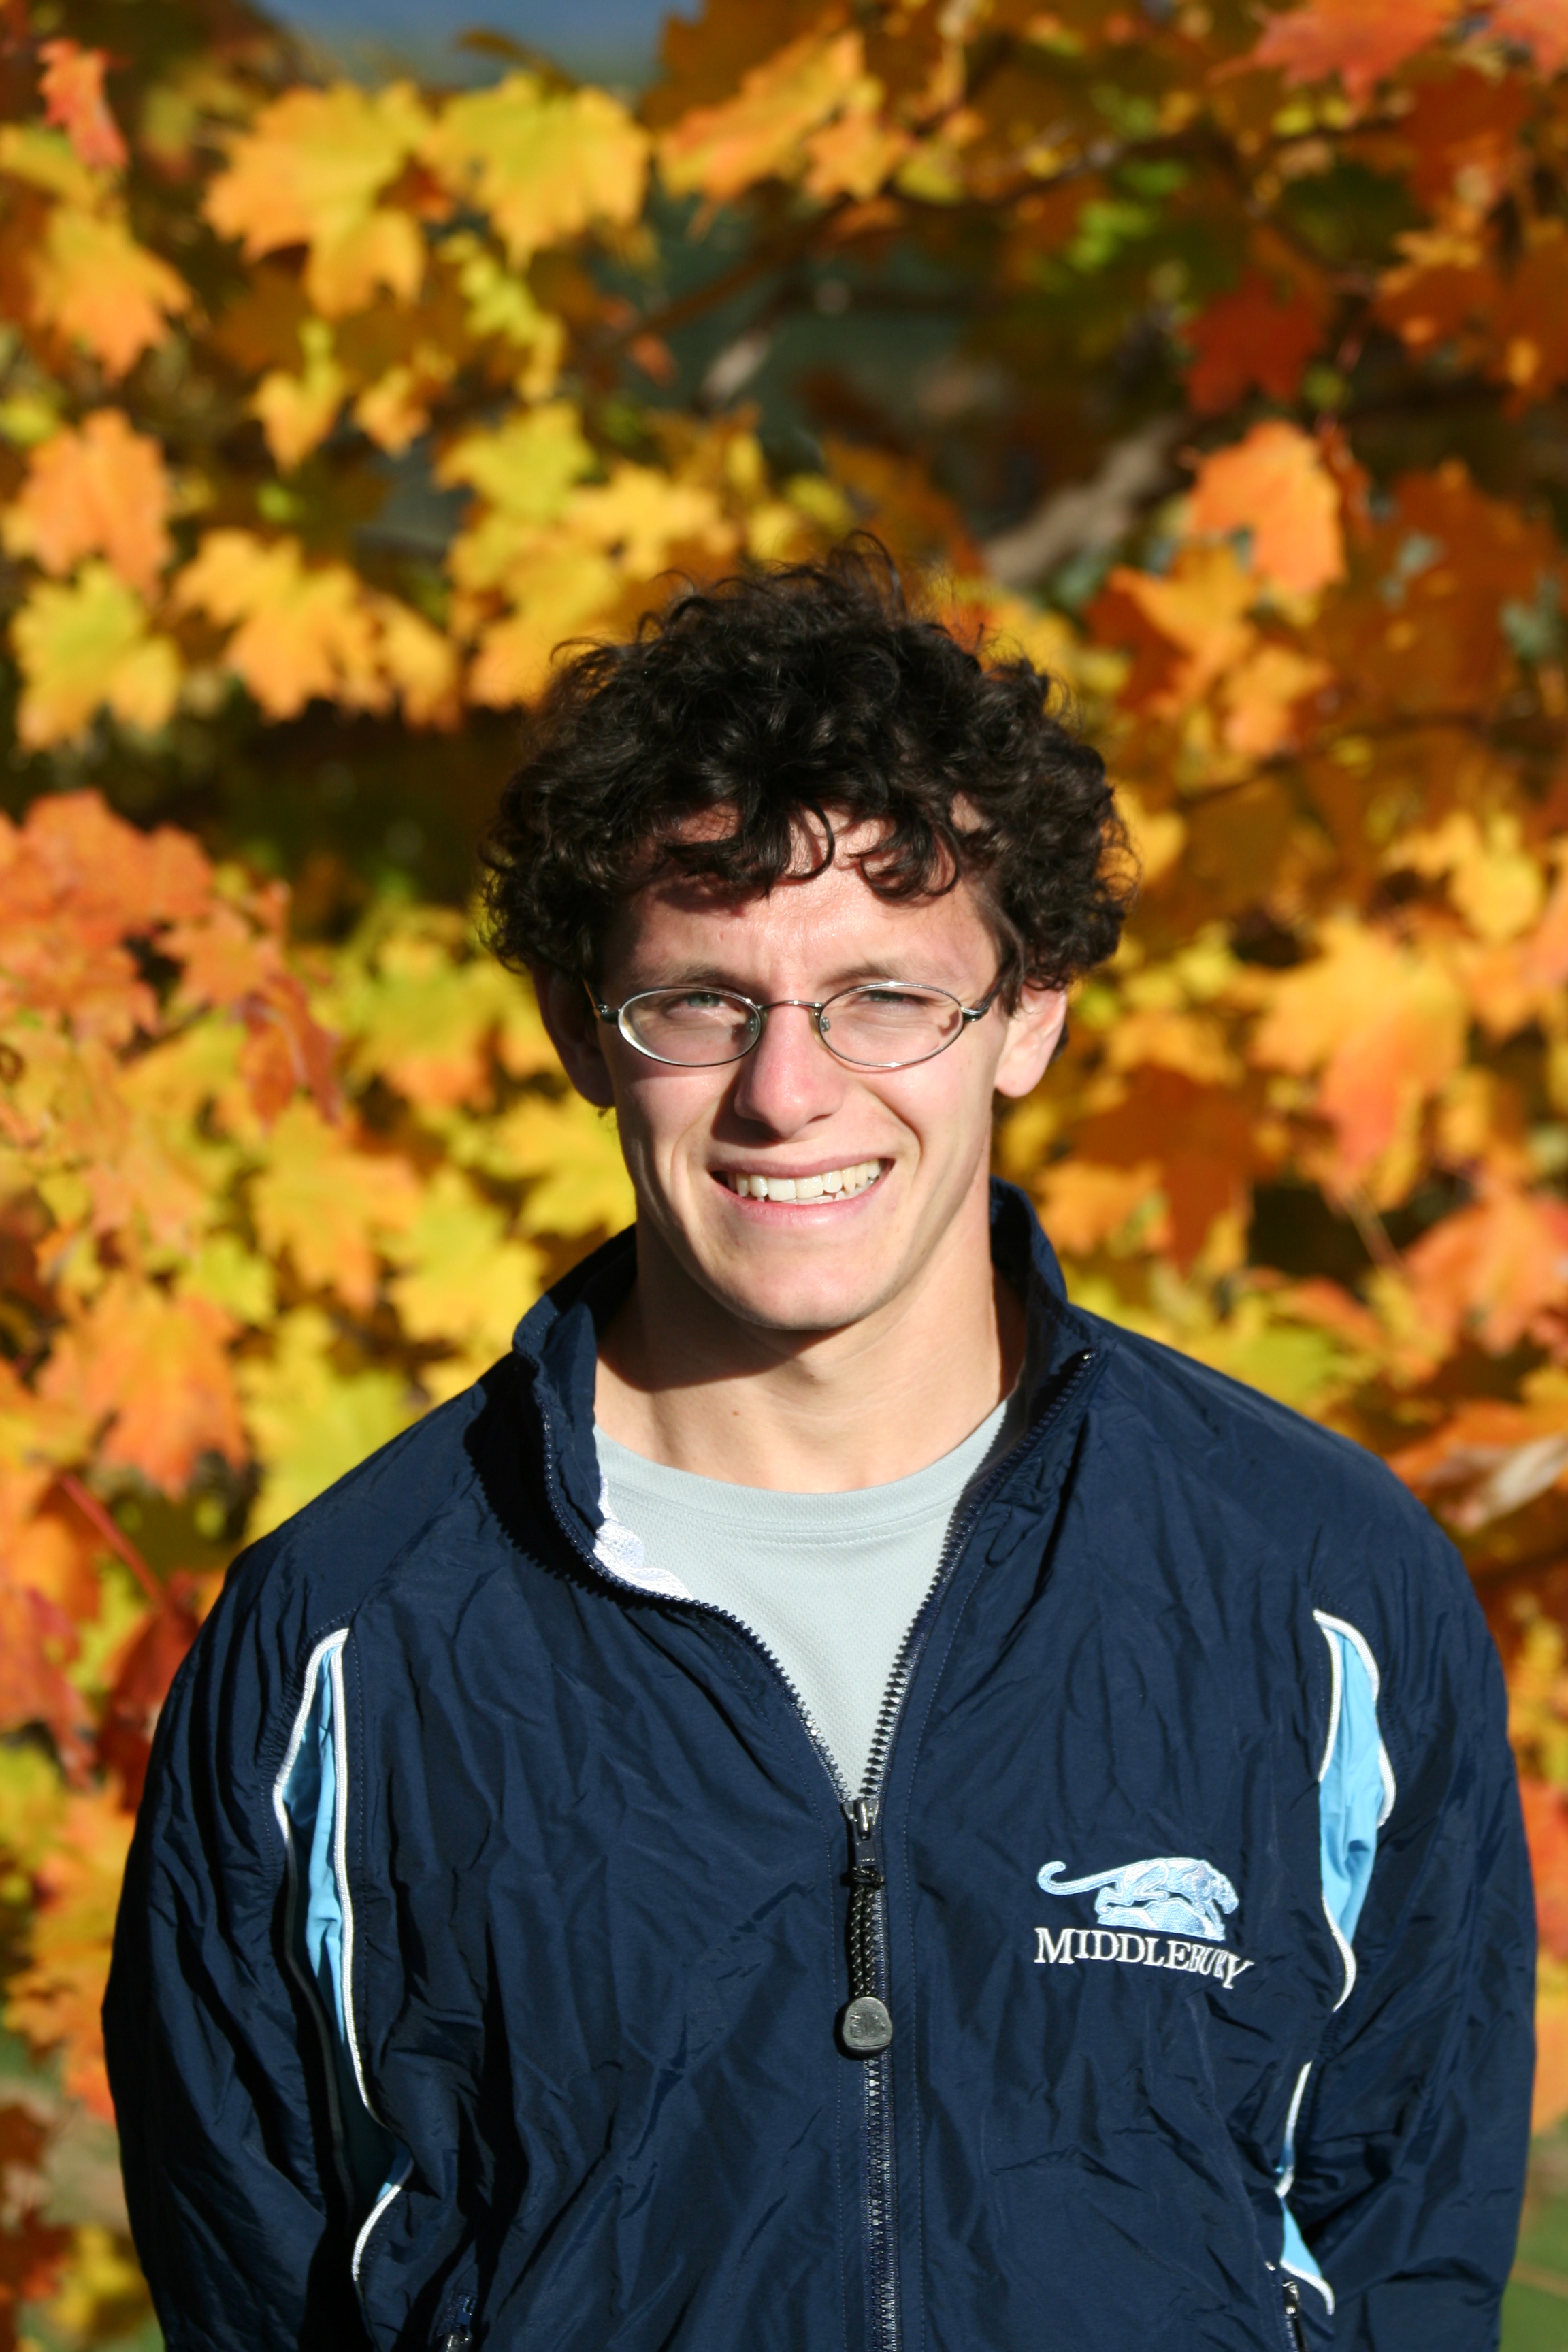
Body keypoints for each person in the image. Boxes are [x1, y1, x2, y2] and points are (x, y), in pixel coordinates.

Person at [106, 544, 1533, 2352]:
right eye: (703, 1001)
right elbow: (253, 2265)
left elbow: (1407, 2244)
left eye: (887, 998)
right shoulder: (344, 1641)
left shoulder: (1321, 1591)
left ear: (1028, 1014)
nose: (789, 1092)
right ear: (583, 1031)